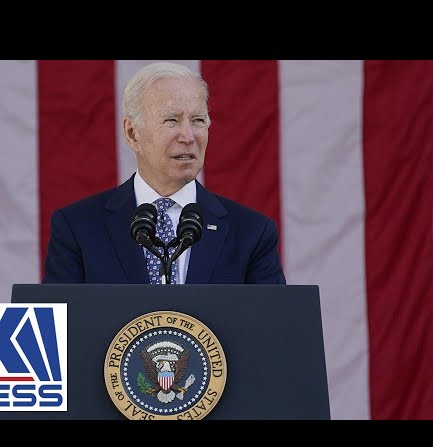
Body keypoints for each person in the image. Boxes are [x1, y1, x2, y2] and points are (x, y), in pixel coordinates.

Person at [43, 61, 286, 285]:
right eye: (172, 120)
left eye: (198, 120)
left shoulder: (251, 232)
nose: (189, 136)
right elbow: (48, 328)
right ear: (132, 133)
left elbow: (277, 327)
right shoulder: (77, 227)